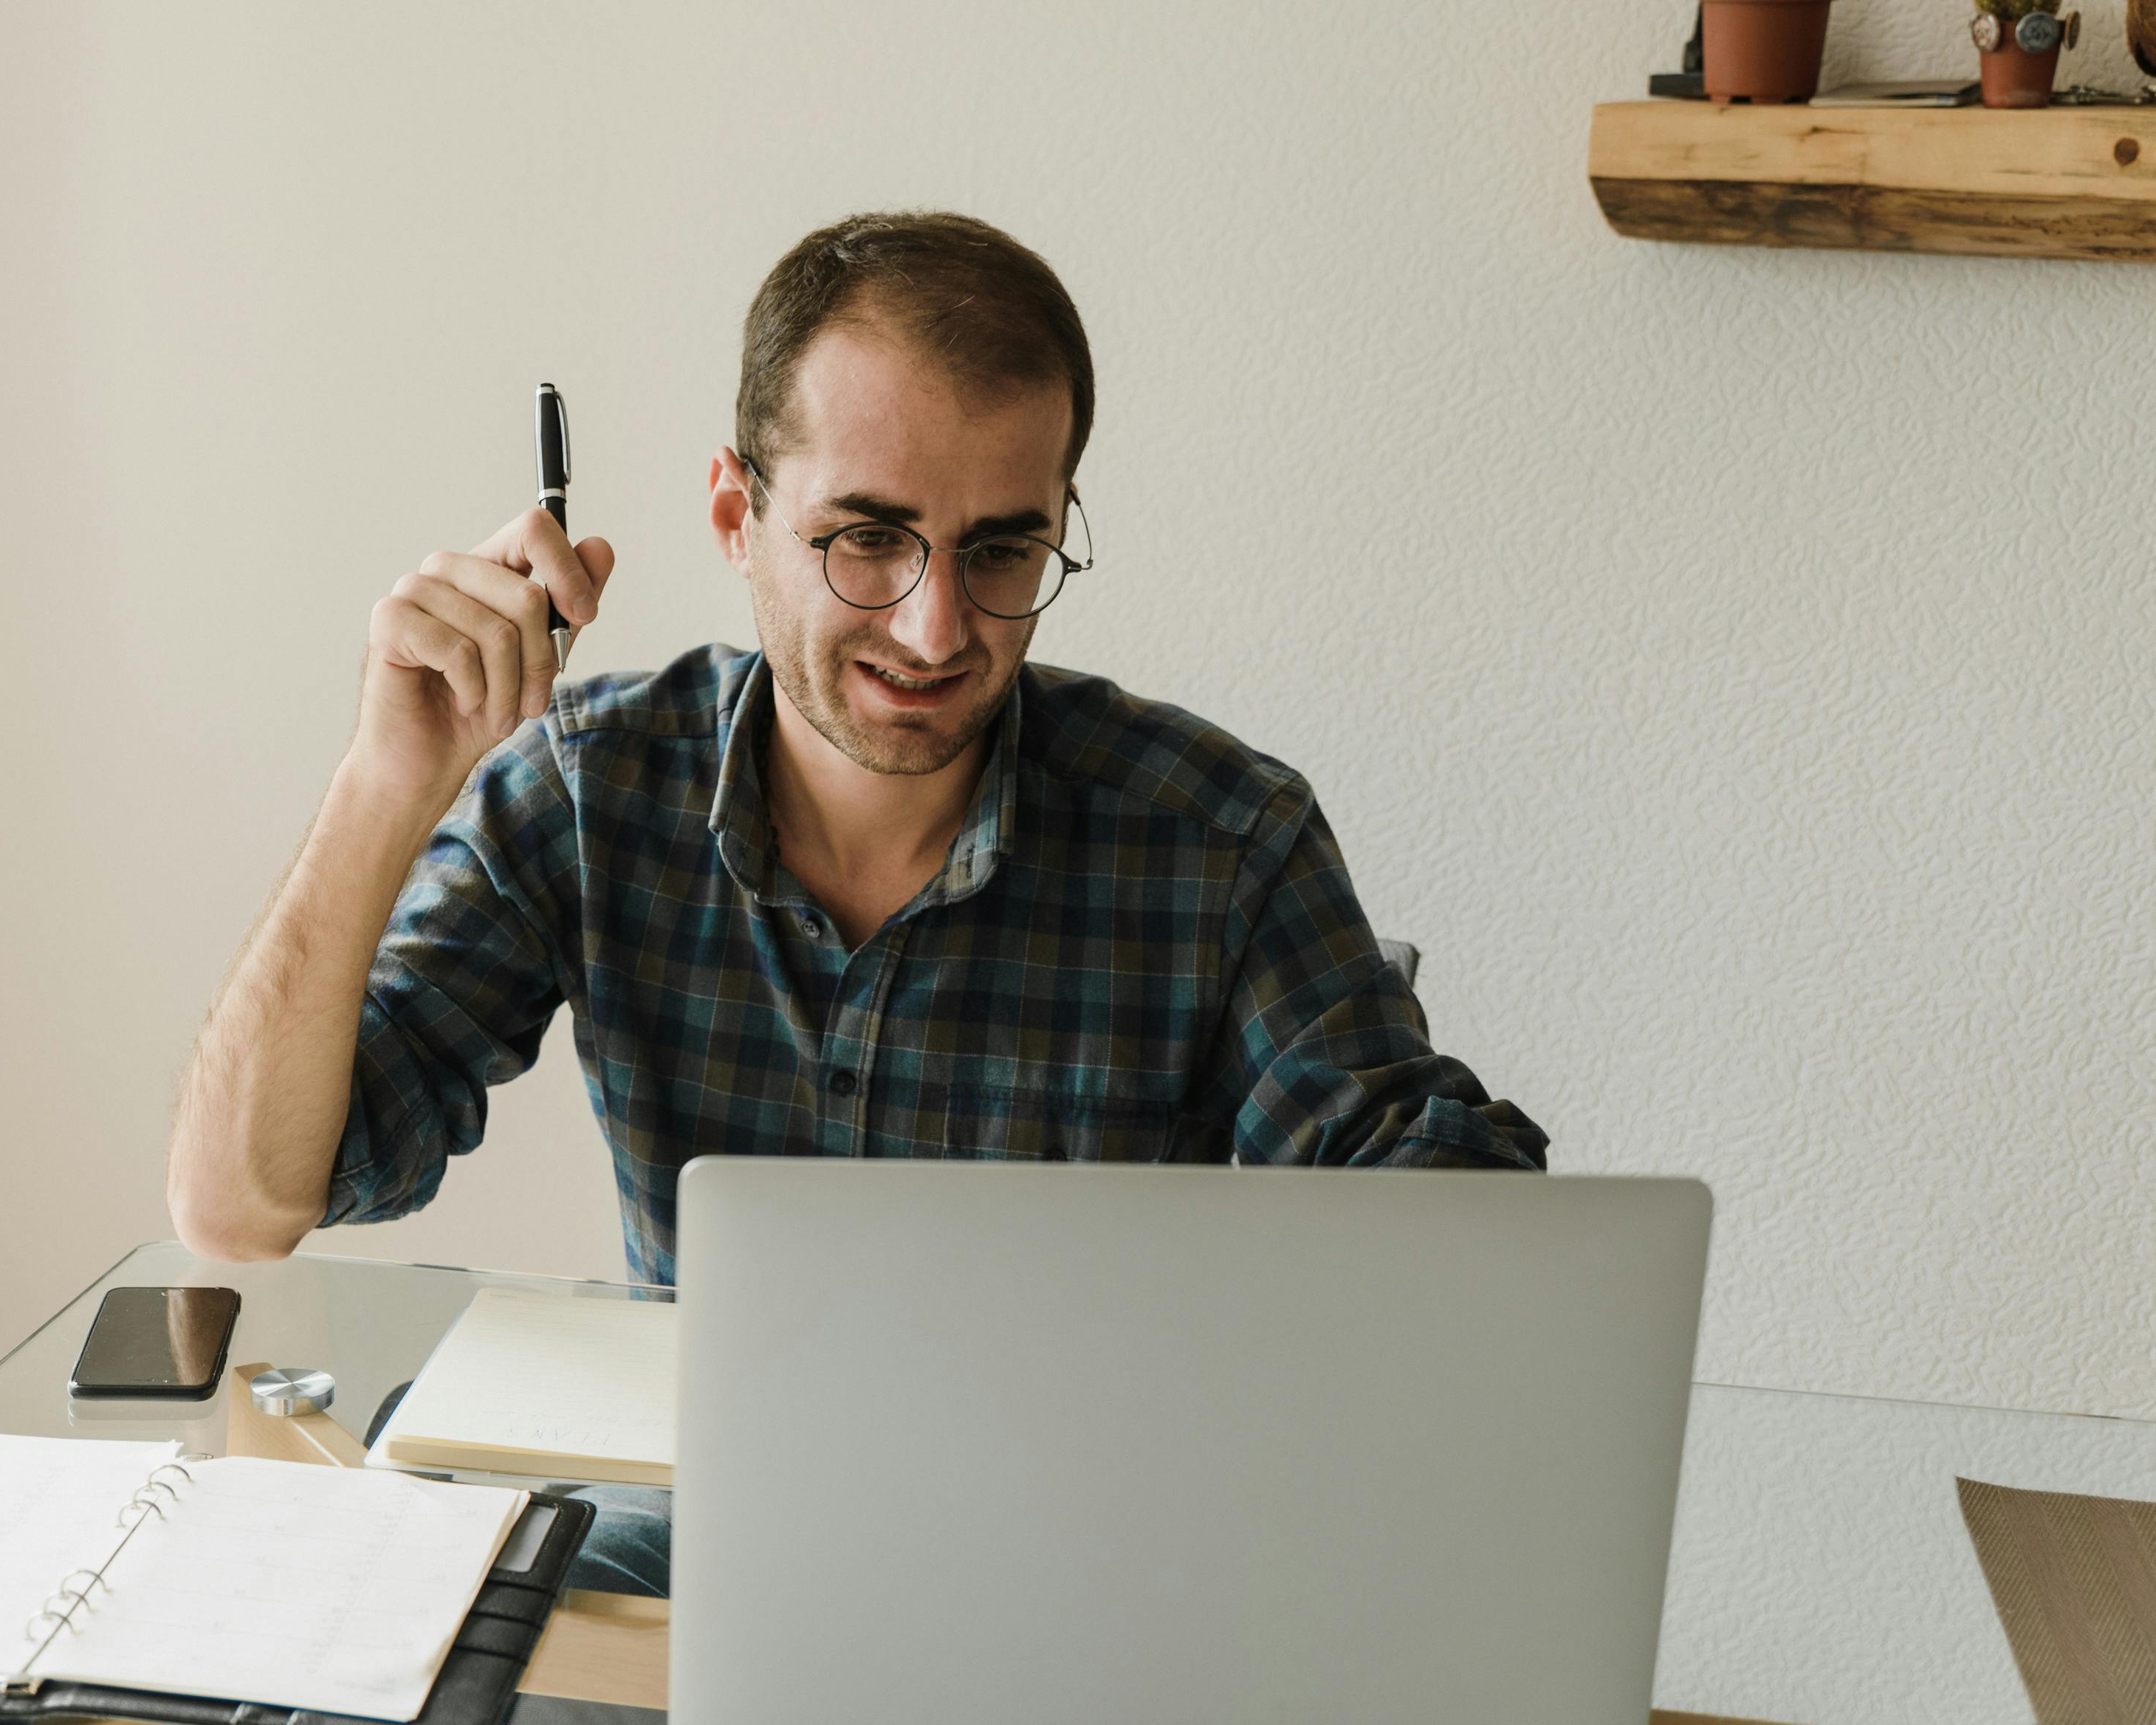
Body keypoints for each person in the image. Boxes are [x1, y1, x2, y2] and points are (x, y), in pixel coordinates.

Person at [168, 208, 1545, 1595]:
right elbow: (241, 1207)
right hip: (698, 1539)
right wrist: (382, 781)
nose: (936, 629)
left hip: (1077, 1572)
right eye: (867, 540)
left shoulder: (1217, 838)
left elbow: (1444, 1244)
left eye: (1002, 553)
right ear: (736, 517)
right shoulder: (592, 791)